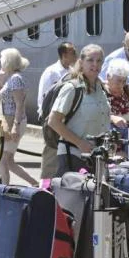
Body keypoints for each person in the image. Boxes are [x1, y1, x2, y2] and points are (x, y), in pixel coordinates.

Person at [48, 44, 111, 176]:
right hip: (73, 157)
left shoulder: (102, 89)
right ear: (81, 63)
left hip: (96, 158)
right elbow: (53, 121)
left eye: (99, 61)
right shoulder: (72, 88)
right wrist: (80, 143)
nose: (95, 64)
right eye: (90, 60)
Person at [0, 48, 38, 186]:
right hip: (7, 121)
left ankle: (3, 189)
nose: (0, 61)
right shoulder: (10, 78)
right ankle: (35, 183)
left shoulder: (16, 79)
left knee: (2, 160)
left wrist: (15, 127)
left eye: (2, 58)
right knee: (9, 161)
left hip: (13, 122)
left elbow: (19, 105)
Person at [37, 42, 77, 179]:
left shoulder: (73, 72)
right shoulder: (51, 72)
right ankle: (45, 188)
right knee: (51, 156)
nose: (76, 55)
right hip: (52, 120)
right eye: (73, 53)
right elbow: (44, 99)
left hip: (67, 120)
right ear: (64, 55)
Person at [103, 58, 129, 158]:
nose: (121, 85)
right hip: (108, 141)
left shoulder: (127, 88)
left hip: (127, 138)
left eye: (124, 81)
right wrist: (113, 118)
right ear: (108, 76)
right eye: (118, 81)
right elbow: (96, 114)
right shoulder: (100, 90)